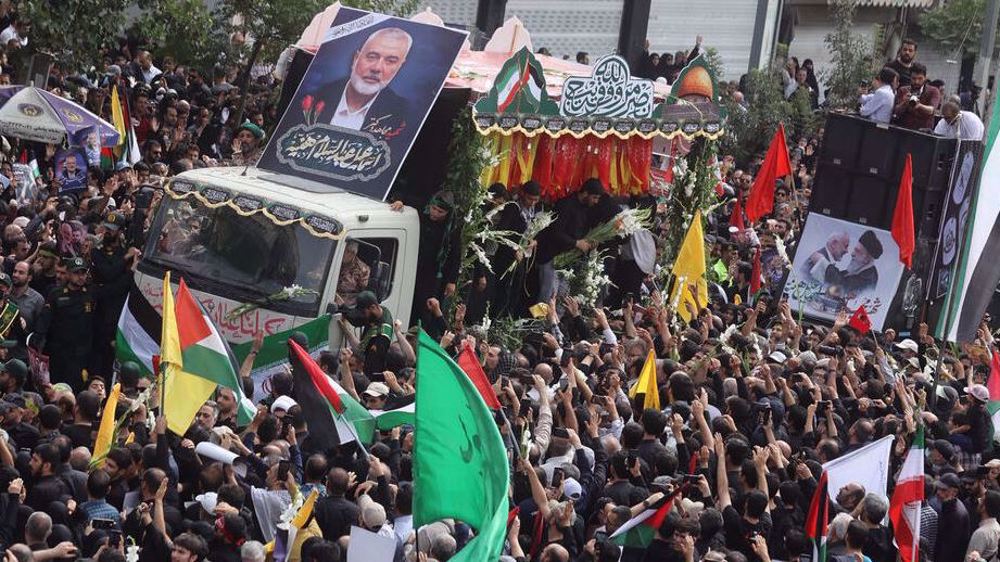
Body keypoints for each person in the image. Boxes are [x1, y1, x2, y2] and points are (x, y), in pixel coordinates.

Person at [297, 27, 413, 136]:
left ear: (399, 67)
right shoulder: (312, 97)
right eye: (372, 56)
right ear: (356, 58)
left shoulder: (404, 115)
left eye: (390, 61)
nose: (377, 68)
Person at [35, 257, 94, 391]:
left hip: (79, 355)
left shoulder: (91, 293)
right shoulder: (56, 294)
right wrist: (37, 343)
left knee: (74, 389)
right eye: (76, 273)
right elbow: (44, 320)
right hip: (58, 352)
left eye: (83, 273)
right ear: (68, 273)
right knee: (54, 389)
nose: (80, 277)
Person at [893, 63, 941, 130]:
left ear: (925, 77)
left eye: (920, 78)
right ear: (910, 77)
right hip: (904, 130)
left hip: (923, 131)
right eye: (914, 78)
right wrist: (904, 103)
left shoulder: (933, 91)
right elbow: (896, 111)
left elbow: (931, 110)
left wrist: (919, 105)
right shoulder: (903, 90)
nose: (916, 82)